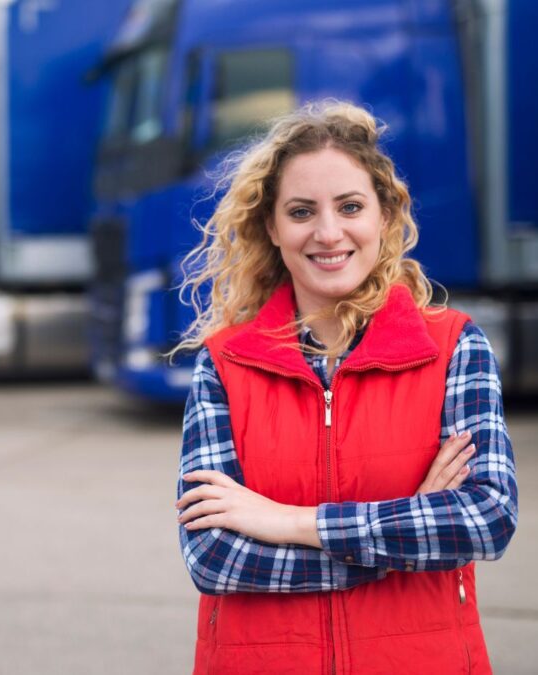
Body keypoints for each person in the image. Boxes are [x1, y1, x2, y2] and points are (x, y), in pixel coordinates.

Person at [172, 101, 518, 674]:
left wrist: (289, 523)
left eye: (350, 206)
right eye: (302, 211)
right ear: (272, 227)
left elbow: (486, 517)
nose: (328, 233)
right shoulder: (224, 364)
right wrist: (401, 541)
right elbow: (214, 559)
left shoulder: (453, 346)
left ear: (383, 217)